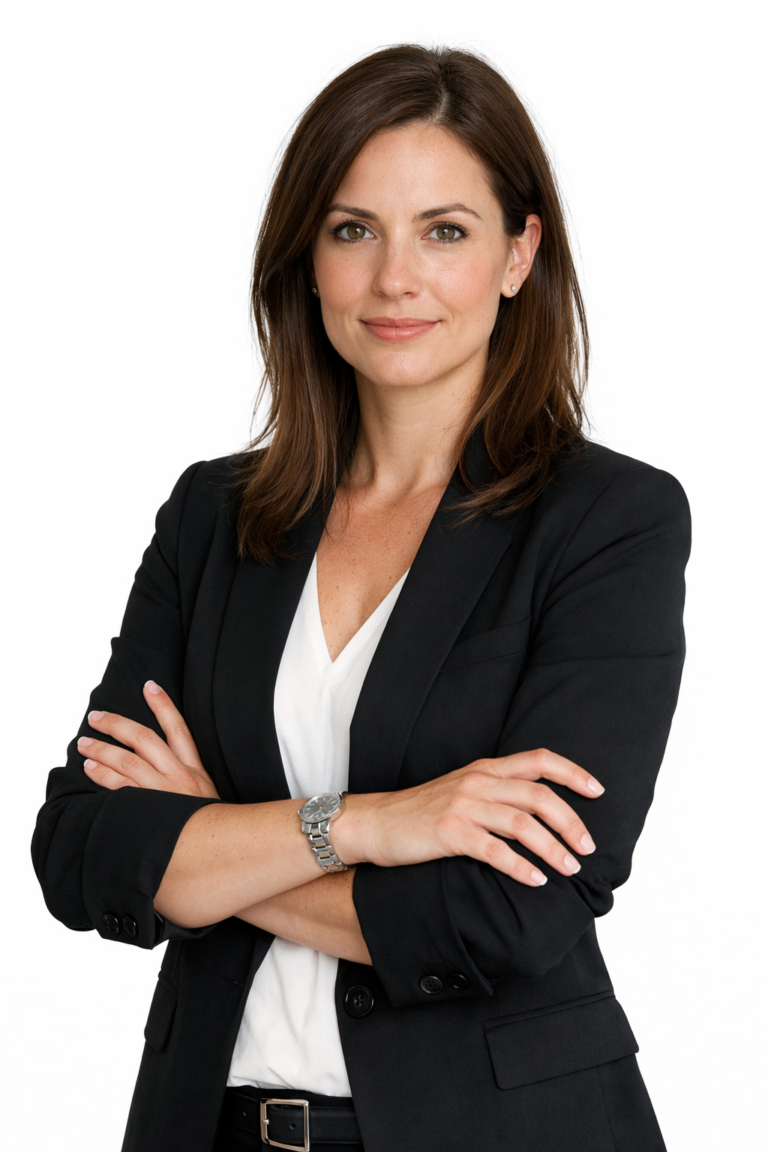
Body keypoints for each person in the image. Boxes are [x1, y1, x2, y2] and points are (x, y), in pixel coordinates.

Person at [31, 44, 690, 1152]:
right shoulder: (215, 515)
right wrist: (380, 825)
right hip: (212, 1128)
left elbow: (510, 913)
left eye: (445, 230)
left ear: (519, 254)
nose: (395, 279)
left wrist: (210, 853)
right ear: (308, 260)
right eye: (352, 231)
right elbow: (84, 848)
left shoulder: (608, 521)